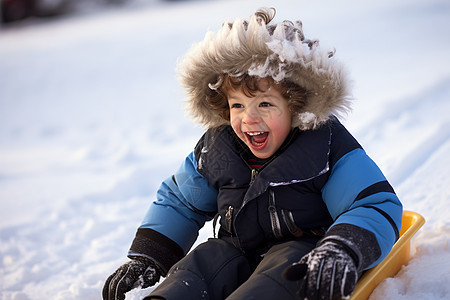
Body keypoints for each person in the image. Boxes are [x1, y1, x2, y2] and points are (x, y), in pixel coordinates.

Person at [102, 7, 402, 300]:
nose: (249, 118)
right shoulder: (217, 148)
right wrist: (149, 256)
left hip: (302, 251)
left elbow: (373, 204)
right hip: (237, 251)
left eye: (265, 104)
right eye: (238, 105)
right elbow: (181, 203)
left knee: (288, 263)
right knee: (204, 260)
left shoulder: (323, 144)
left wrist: (341, 247)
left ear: (295, 107)